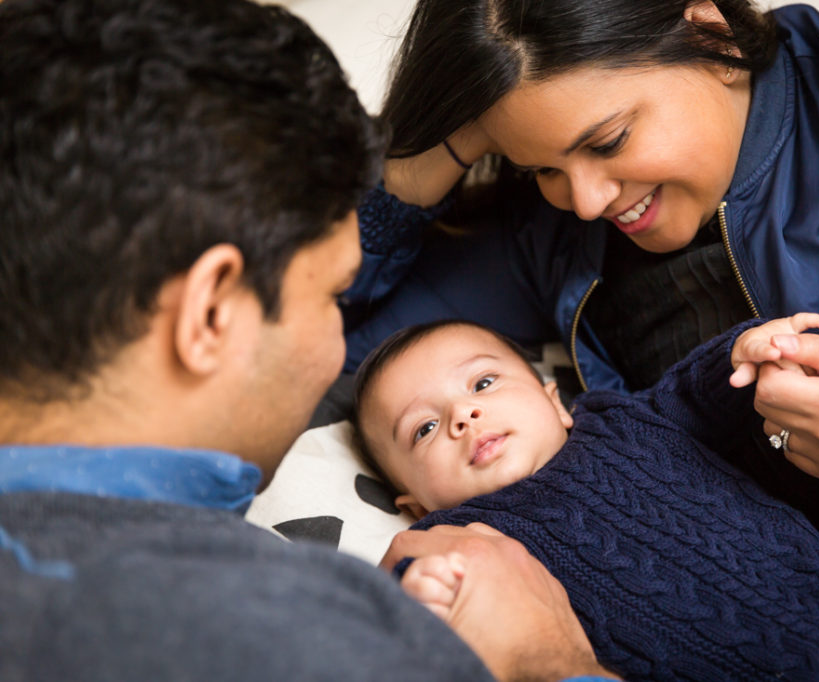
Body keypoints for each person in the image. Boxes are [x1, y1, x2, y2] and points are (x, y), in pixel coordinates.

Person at [0, 1, 617, 680]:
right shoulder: (293, 635)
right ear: (210, 315)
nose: (337, 351)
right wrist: (554, 661)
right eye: (332, 295)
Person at [342, 0, 819, 571]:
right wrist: (435, 148)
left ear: (713, 37)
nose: (583, 199)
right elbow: (315, 329)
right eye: (542, 167)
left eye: (607, 142)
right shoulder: (551, 239)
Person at [353, 316, 819, 680]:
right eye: (425, 428)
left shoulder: (618, 421)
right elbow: (423, 577)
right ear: (415, 504)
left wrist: (745, 351)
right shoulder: (474, 534)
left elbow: (700, 396)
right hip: (744, 664)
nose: (463, 419)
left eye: (481, 385)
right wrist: (427, 581)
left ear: (554, 402)